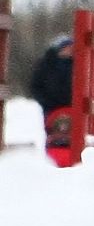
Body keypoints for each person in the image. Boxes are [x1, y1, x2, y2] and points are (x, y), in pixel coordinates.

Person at [29, 35, 76, 167]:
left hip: (71, 107)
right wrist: (46, 101)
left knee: (71, 134)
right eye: (66, 47)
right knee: (54, 133)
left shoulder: (77, 63)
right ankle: (54, 158)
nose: (69, 50)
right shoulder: (47, 64)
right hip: (51, 107)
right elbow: (36, 86)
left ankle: (69, 158)